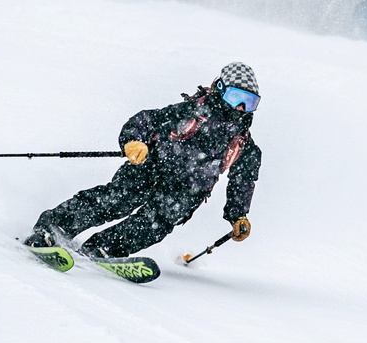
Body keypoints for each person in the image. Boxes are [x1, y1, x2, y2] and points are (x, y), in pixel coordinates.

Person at [24, 62, 262, 258]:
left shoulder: (244, 145)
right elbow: (145, 121)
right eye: (235, 97)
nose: (241, 108)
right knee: (116, 200)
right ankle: (54, 228)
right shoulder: (190, 111)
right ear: (220, 89)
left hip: (186, 192)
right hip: (151, 167)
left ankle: (105, 248)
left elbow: (243, 181)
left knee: (155, 223)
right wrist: (133, 142)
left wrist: (238, 214)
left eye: (249, 102)